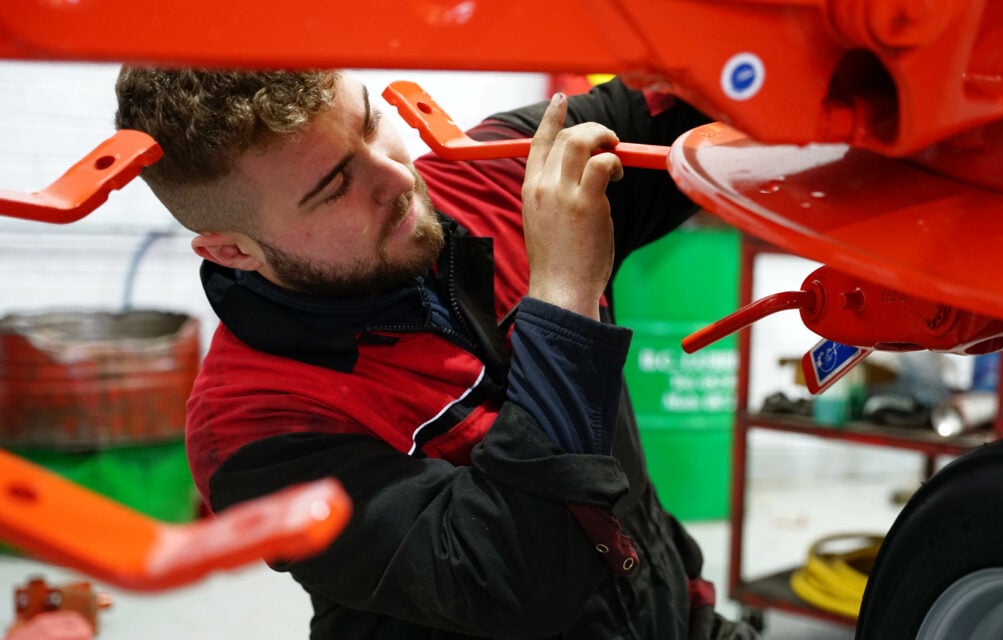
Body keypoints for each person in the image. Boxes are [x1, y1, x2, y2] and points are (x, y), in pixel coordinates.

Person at [114, 67, 759, 640]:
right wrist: (564, 295)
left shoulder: (490, 180)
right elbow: (514, 580)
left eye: (371, 123)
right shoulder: (253, 429)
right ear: (233, 251)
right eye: (335, 187)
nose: (399, 176)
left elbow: (705, 96)